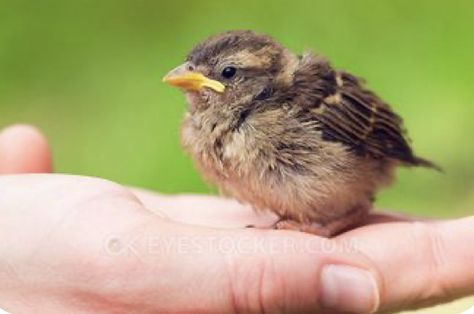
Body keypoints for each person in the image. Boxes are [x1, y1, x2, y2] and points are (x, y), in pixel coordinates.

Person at [0, 124, 472, 314]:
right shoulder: (199, 127)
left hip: (354, 178)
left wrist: (323, 225)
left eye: (225, 74)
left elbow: (368, 134)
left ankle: (338, 218)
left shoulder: (291, 109)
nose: (192, 80)